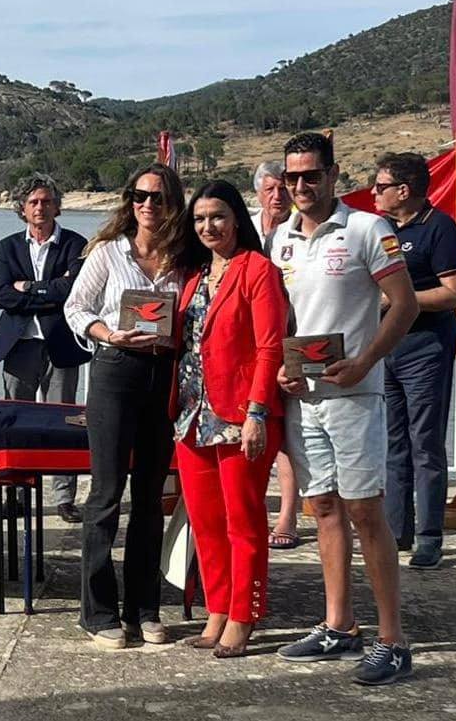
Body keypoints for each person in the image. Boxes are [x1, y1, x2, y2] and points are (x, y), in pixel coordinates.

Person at [270, 132, 419, 686]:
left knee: (365, 511)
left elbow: (402, 306)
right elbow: (284, 319)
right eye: (293, 177)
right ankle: (339, 626)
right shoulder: (279, 238)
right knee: (324, 510)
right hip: (303, 398)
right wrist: (282, 368)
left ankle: (392, 640)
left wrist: (364, 362)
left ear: (333, 175)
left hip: (354, 395)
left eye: (312, 175)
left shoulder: (367, 229)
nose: (302, 186)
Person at [64, 163, 185, 650]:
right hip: (115, 370)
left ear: (171, 201)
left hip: (164, 374)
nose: (147, 205)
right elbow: (76, 307)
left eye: (157, 197)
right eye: (139, 196)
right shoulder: (108, 253)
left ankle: (144, 607)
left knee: (151, 496)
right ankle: (96, 612)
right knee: (106, 495)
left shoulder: (183, 256)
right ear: (128, 200)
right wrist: (107, 333)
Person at [173, 180, 288, 658]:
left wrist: (258, 412)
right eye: (199, 219)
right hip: (192, 416)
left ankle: (245, 614)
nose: (208, 226)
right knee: (205, 522)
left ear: (236, 218)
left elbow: (269, 346)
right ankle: (216, 609)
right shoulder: (196, 275)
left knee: (244, 521)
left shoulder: (257, 270)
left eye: (217, 216)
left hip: (241, 415)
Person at [373, 152, 456, 569]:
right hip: (386, 346)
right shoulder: (382, 229)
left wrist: (399, 300)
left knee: (425, 442)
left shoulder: (439, 228)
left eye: (380, 187)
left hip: (426, 346)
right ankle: (397, 531)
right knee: (393, 443)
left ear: (404, 190)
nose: (374, 194)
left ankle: (430, 536)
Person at [0, 174, 90, 524]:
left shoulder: (77, 244)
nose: (40, 207)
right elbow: (3, 296)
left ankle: (64, 498)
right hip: (19, 346)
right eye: (33, 202)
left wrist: (28, 288)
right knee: (16, 420)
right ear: (22, 208)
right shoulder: (8, 246)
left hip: (61, 344)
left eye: (46, 201)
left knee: (65, 421)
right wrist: (48, 290)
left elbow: (71, 292)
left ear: (57, 206)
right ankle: (17, 492)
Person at [251, 161, 300, 551]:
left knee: (285, 432)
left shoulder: (302, 228)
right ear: (258, 193)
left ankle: (288, 514)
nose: (277, 196)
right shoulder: (243, 224)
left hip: (292, 338)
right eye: (269, 189)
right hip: (249, 343)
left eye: (282, 188)